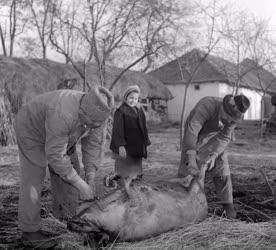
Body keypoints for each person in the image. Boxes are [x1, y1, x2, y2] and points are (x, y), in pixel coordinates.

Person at [14, 86, 114, 249]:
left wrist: (90, 175)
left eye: (95, 124)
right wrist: (81, 185)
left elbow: (94, 145)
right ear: (82, 111)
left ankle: (65, 217)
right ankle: (30, 231)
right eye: (89, 123)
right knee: (34, 176)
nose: (92, 126)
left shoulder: (100, 114)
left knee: (72, 167)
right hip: (32, 130)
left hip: (63, 135)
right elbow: (55, 155)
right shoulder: (62, 112)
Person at [178, 94, 250, 219]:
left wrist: (213, 155)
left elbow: (225, 137)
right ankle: (184, 201)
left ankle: (228, 206)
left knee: (222, 165)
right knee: (191, 167)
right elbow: (193, 129)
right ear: (224, 107)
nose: (229, 121)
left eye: (232, 119)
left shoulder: (235, 117)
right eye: (228, 117)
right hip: (195, 132)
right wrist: (191, 156)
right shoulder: (207, 105)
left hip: (215, 135)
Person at [110, 85, 151, 181]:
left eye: (136, 98)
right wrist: (120, 146)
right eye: (131, 98)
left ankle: (136, 179)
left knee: (136, 165)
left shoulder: (139, 109)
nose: (133, 100)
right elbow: (117, 130)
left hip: (137, 144)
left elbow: (143, 126)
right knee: (125, 167)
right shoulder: (120, 111)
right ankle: (123, 180)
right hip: (126, 145)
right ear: (126, 97)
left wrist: (145, 140)